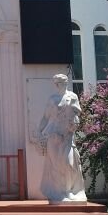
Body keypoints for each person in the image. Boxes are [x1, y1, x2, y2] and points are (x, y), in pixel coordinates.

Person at [34, 74, 87, 202]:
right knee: (56, 165)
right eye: (59, 83)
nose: (61, 85)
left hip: (67, 135)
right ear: (56, 84)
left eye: (63, 82)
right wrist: (39, 131)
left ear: (66, 83)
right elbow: (46, 117)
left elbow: (77, 114)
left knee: (69, 163)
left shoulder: (73, 97)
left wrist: (74, 122)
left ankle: (69, 191)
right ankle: (60, 193)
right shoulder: (52, 99)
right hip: (53, 135)